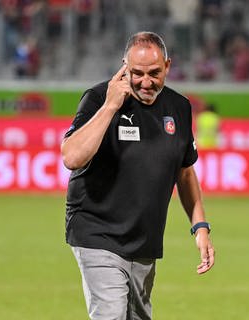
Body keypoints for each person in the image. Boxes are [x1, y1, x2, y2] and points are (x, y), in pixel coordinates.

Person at [61, 31, 215, 320]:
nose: (146, 82)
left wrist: (201, 227)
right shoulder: (97, 98)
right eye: (137, 73)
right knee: (111, 315)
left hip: (144, 240)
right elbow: (71, 157)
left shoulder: (179, 108)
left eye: (155, 73)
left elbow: (185, 173)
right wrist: (110, 106)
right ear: (124, 67)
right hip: (97, 232)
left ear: (167, 66)